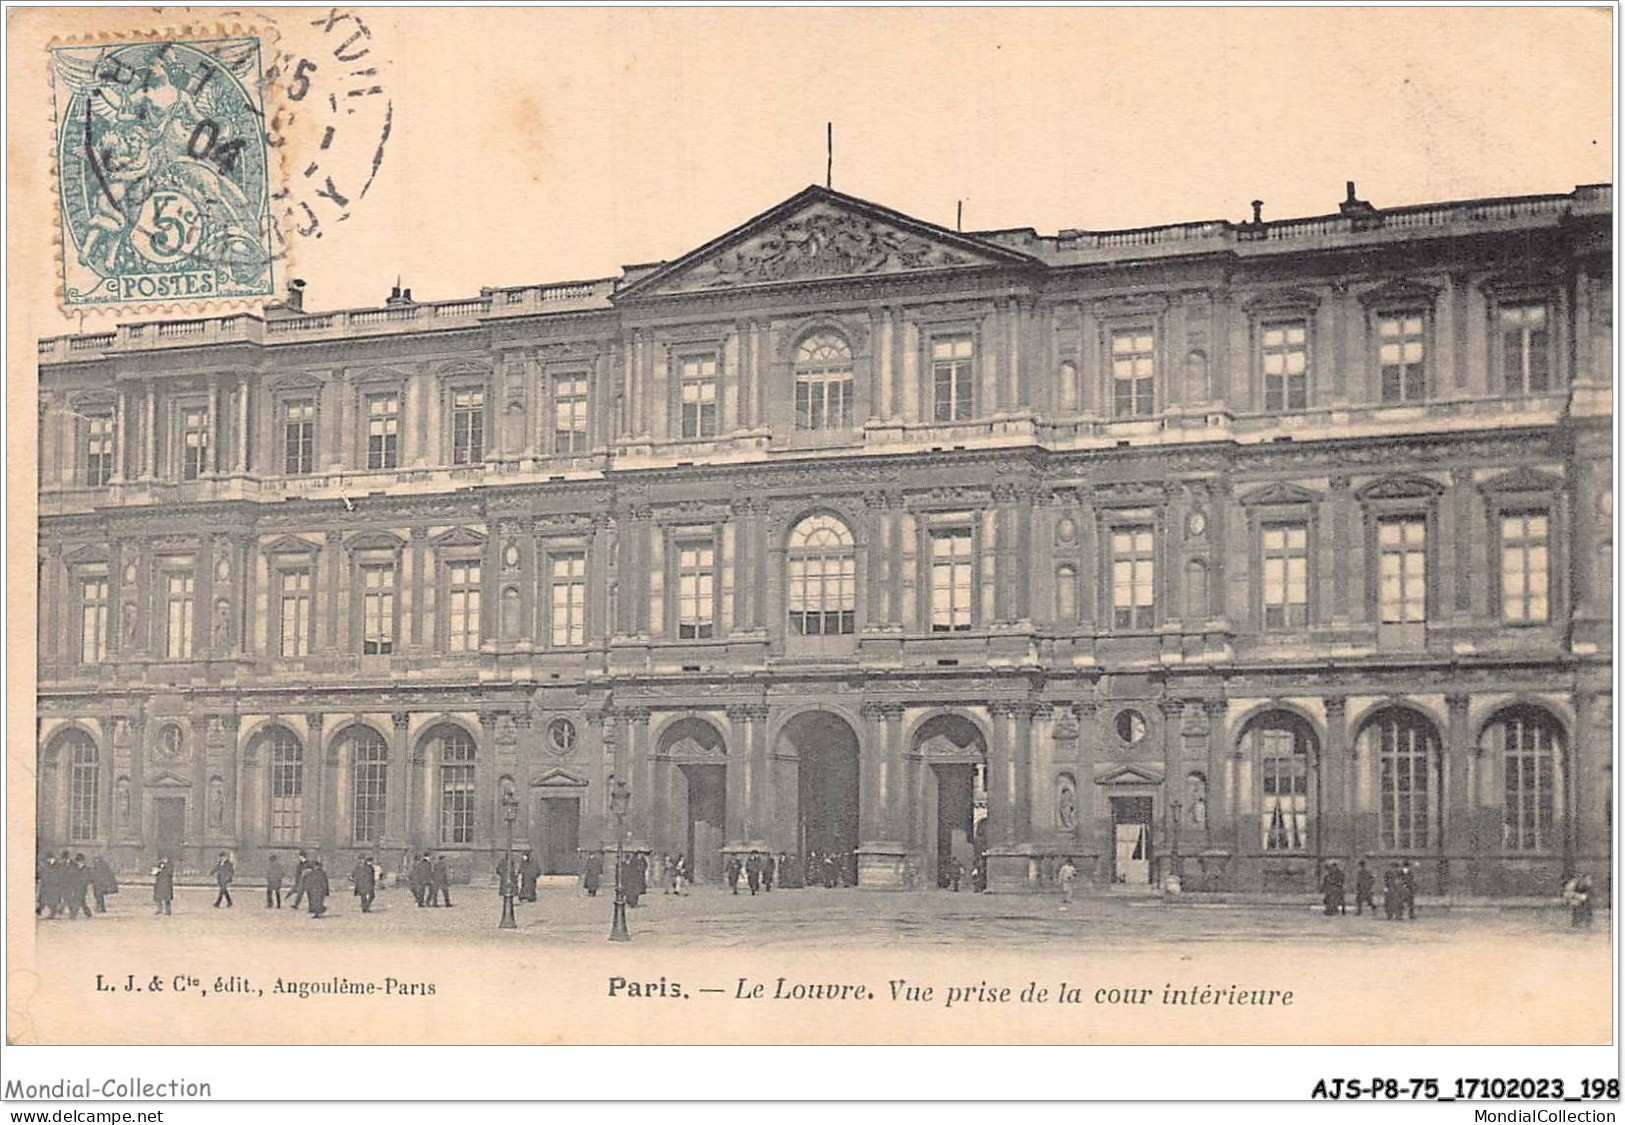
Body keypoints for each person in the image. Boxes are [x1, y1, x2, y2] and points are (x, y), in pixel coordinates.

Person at [62, 855, 93, 919]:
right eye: (78, 862)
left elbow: (89, 878)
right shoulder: (74, 869)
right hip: (75, 887)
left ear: (83, 862)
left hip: (82, 888)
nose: (79, 863)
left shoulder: (86, 869)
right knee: (81, 902)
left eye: (81, 862)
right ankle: (87, 912)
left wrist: (85, 882)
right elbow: (70, 877)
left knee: (77, 901)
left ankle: (73, 914)